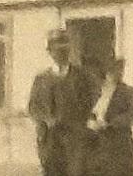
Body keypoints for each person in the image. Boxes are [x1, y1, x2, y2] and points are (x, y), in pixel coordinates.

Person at [27, 29, 98, 176]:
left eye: (64, 50)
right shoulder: (41, 79)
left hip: (75, 139)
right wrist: (46, 120)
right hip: (50, 139)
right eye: (56, 50)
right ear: (50, 52)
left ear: (69, 51)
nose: (60, 54)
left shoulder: (82, 77)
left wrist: (85, 120)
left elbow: (93, 100)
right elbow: (33, 107)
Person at [85, 58, 133, 176]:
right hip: (98, 145)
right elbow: (88, 112)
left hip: (119, 143)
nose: (117, 74)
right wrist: (90, 122)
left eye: (120, 71)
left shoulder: (127, 92)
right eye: (112, 71)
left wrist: (110, 123)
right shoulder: (96, 93)